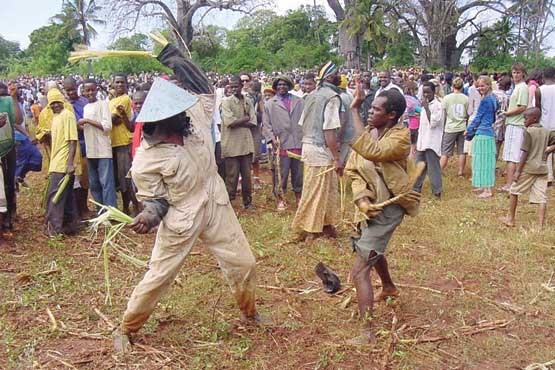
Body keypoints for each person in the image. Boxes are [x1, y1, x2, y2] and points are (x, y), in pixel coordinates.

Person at [114, 77, 265, 352]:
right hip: (182, 216)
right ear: (164, 120)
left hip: (215, 202)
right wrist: (148, 217)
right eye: (178, 114)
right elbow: (156, 202)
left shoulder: (190, 118)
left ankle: (250, 312)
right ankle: (126, 327)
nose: (185, 114)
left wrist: (175, 59)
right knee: (160, 274)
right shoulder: (145, 162)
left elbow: (204, 89)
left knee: (244, 263)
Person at [345, 84, 420, 344]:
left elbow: (372, 152)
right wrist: (362, 197)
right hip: (371, 206)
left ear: (391, 115)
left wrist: (353, 108)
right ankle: (388, 287)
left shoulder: (400, 138)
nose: (369, 112)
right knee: (371, 252)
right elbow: (353, 169)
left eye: (375, 109)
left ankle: (368, 333)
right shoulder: (369, 132)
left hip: (390, 207)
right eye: (369, 108)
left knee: (359, 270)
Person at [292, 61, 342, 241]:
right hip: (321, 148)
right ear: (329, 77)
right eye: (337, 73)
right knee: (318, 190)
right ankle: (311, 230)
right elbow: (329, 130)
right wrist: (337, 158)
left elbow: (302, 124)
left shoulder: (311, 95)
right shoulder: (331, 97)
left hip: (309, 146)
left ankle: (326, 225)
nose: (340, 76)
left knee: (327, 188)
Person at [502, 108, 555, 228]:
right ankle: (540, 226)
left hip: (529, 167)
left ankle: (510, 218)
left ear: (534, 118)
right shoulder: (546, 131)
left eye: (526, 118)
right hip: (542, 169)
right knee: (542, 197)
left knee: (514, 190)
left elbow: (525, 152)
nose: (524, 120)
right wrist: (548, 151)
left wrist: (518, 171)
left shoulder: (528, 131)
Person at [262, 75, 304, 211]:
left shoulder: (299, 101)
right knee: (281, 173)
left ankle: (299, 196)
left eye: (284, 84)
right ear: (275, 87)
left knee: (298, 173)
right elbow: (266, 125)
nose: (282, 87)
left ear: (289, 86)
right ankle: (280, 198)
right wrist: (272, 139)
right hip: (281, 143)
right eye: (279, 85)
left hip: (298, 141)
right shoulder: (270, 104)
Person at [44, 89, 80, 237]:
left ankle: (54, 229)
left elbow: (72, 140)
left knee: (55, 197)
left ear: (62, 101)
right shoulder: (56, 118)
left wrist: (70, 163)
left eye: (57, 102)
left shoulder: (68, 115)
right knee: (68, 195)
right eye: (52, 103)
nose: (55, 106)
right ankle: (71, 225)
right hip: (56, 162)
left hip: (63, 163)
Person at [80, 79, 117, 208]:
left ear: (96, 90)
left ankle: (111, 211)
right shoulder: (85, 107)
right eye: (87, 90)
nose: (90, 92)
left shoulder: (103, 104)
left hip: (103, 150)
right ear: (83, 92)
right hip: (90, 150)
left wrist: (88, 121)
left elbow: (107, 126)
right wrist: (82, 125)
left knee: (106, 182)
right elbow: (88, 126)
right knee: (94, 184)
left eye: (92, 90)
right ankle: (100, 210)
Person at [220, 76, 257, 209]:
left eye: (236, 86)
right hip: (231, 144)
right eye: (231, 86)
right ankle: (229, 203)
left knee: (247, 176)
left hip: (246, 144)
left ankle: (248, 202)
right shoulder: (226, 102)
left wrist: (240, 121)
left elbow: (253, 122)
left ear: (242, 86)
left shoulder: (248, 101)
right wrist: (245, 119)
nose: (234, 89)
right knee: (232, 176)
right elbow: (229, 122)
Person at [109, 74, 140, 215]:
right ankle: (126, 207)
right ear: (113, 84)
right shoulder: (111, 101)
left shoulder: (125, 99)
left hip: (124, 143)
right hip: (113, 143)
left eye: (122, 82)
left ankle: (135, 206)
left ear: (126, 85)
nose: (120, 84)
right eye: (117, 82)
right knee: (120, 179)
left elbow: (113, 119)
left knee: (127, 178)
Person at [465, 76, 497, 198]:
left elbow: (478, 117)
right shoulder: (492, 98)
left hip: (483, 133)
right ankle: (484, 185)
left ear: (489, 85)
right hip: (488, 131)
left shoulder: (486, 100)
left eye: (483, 86)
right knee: (484, 160)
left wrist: (469, 130)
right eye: (478, 86)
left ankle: (487, 189)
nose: (480, 88)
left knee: (483, 161)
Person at [64, 77, 90, 219]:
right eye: (67, 90)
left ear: (76, 87)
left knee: (85, 179)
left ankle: (84, 208)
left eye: (72, 89)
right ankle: (76, 210)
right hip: (72, 147)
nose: (70, 93)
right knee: (75, 182)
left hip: (85, 144)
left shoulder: (84, 102)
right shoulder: (64, 105)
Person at [500, 63, 529, 192]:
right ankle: (511, 182)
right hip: (512, 123)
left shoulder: (522, 87)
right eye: (514, 72)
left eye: (518, 72)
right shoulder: (517, 87)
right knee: (511, 155)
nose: (516, 75)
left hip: (515, 124)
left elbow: (522, 107)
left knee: (511, 156)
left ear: (523, 73)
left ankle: (509, 184)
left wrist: (507, 113)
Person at [414, 81, 444, 198]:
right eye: (424, 92)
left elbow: (433, 123)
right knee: (419, 166)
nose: (426, 95)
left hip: (432, 141)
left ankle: (437, 191)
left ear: (433, 92)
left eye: (428, 92)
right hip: (422, 140)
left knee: (433, 168)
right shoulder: (424, 106)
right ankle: (415, 189)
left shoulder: (437, 105)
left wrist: (426, 109)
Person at [440, 77, 468, 176]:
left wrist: (442, 127)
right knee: (462, 151)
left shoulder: (446, 98)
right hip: (462, 127)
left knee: (445, 152)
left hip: (450, 127)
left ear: (452, 86)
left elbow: (443, 115)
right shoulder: (465, 98)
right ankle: (460, 171)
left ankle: (439, 171)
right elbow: (468, 113)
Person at [535, 66, 555, 183]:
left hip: (545, 124)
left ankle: (548, 176)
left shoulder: (539, 90)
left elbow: (538, 110)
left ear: (543, 77)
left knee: (546, 151)